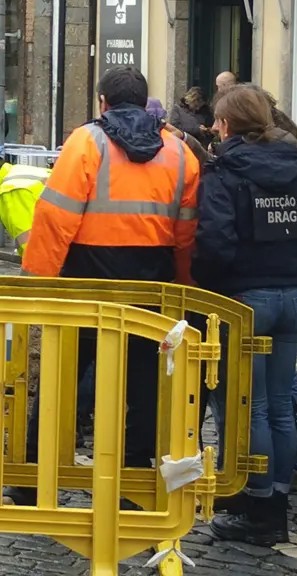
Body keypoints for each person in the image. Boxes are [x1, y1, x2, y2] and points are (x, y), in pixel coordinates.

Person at [14, 66, 199, 503]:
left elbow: (55, 216)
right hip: (151, 282)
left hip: (86, 278)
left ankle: (32, 478)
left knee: (63, 376)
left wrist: (37, 282)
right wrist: (185, 288)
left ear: (102, 102)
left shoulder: (86, 142)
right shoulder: (178, 153)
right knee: (144, 383)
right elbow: (187, 233)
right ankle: (134, 480)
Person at [193, 85, 297, 546]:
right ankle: (272, 499)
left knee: (250, 406)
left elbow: (215, 243)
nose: (214, 128)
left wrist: (209, 296)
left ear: (228, 125)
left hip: (245, 301)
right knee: (279, 406)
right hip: (291, 299)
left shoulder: (224, 172)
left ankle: (259, 509)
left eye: (217, 121)